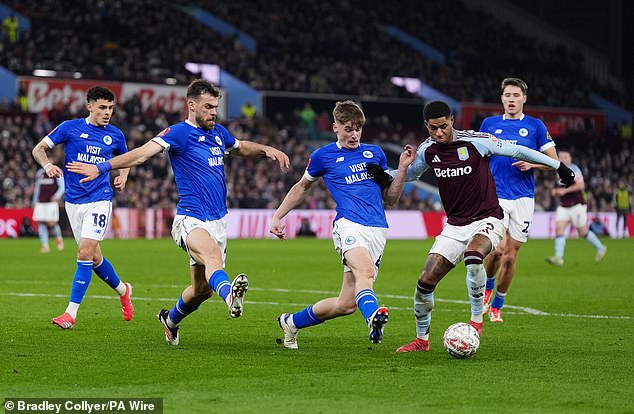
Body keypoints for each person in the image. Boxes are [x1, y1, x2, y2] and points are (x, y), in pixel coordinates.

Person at [67, 79, 290, 346]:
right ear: (191, 105)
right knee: (211, 257)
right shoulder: (177, 133)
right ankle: (231, 296)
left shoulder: (218, 133)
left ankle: (170, 321)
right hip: (190, 218)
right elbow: (141, 154)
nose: (213, 111)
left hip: (219, 221)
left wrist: (266, 149)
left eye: (215, 107)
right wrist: (103, 167)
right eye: (208, 106)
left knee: (201, 290)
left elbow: (241, 146)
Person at [384, 101, 574, 352]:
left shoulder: (477, 141)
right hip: (454, 226)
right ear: (426, 127)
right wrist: (395, 169)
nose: (439, 133)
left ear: (452, 120)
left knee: (474, 256)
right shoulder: (428, 150)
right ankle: (422, 340)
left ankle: (476, 322)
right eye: (433, 128)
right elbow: (409, 176)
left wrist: (557, 165)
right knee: (425, 281)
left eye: (443, 126)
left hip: (488, 219)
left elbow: (518, 152)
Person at [270, 100, 413, 349]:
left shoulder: (375, 153)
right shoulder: (323, 156)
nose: (354, 134)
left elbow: (390, 199)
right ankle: (372, 319)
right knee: (365, 273)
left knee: (345, 304)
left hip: (378, 229)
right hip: (348, 225)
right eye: (348, 128)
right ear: (335, 127)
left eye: (358, 128)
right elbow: (302, 187)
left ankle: (291, 322)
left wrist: (401, 169)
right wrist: (277, 215)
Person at [31, 86, 134, 329]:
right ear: (89, 106)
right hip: (73, 202)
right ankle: (123, 290)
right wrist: (47, 166)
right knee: (94, 258)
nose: (107, 112)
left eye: (110, 108)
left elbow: (127, 159)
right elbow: (39, 149)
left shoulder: (115, 135)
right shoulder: (70, 127)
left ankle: (70, 314)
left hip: (99, 200)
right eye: (102, 108)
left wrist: (123, 176)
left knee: (84, 253)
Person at [478, 78, 559, 323]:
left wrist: (532, 163)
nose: (511, 99)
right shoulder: (489, 124)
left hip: (524, 198)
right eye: (507, 95)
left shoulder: (535, 126)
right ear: (501, 98)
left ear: (524, 98)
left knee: (511, 256)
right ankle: (487, 288)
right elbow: (478, 155)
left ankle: (497, 305)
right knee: (497, 251)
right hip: (496, 196)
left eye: (516, 95)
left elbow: (553, 160)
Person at [546, 151, 607, 266]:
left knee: (582, 232)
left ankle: (600, 248)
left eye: (565, 157)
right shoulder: (557, 171)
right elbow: (556, 187)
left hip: (577, 205)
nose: (563, 158)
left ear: (570, 159)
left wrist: (564, 191)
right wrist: (554, 191)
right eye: (561, 157)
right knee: (559, 229)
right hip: (563, 206)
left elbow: (581, 186)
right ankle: (559, 258)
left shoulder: (574, 169)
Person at [32, 166, 65, 253]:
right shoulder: (40, 173)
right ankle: (45, 245)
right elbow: (37, 188)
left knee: (52, 223)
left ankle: (59, 239)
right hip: (41, 202)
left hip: (51, 202)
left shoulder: (56, 171)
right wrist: (35, 201)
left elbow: (62, 186)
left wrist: (57, 196)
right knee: (41, 223)